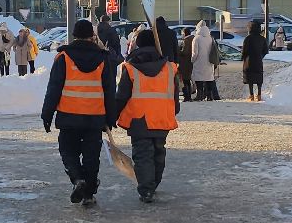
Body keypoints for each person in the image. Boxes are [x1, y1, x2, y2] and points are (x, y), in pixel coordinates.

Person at [41, 19, 118, 206]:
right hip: (94, 117)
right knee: (91, 155)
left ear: (74, 35)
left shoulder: (64, 58)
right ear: (92, 36)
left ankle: (78, 180)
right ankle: (89, 192)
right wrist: (110, 117)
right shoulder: (103, 58)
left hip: (69, 116)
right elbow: (109, 90)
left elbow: (54, 88)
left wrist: (47, 114)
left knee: (68, 151)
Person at [109, 29, 180, 203]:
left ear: (137, 44)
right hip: (162, 117)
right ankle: (153, 184)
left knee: (142, 154)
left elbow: (121, 96)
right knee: (158, 152)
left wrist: (112, 115)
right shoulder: (169, 68)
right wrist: (173, 110)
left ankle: (147, 188)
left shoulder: (131, 68)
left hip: (139, 119)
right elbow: (174, 95)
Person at [188, 20, 218, 101]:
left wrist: (192, 60)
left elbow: (195, 53)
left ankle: (199, 95)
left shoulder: (196, 38)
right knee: (209, 78)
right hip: (209, 61)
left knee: (199, 79)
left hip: (199, 61)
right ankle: (209, 96)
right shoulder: (210, 38)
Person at [241, 18, 269, 101]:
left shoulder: (248, 38)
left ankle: (251, 95)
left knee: (250, 78)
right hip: (258, 60)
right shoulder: (262, 39)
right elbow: (265, 50)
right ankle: (259, 95)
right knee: (258, 77)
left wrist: (243, 57)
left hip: (249, 61)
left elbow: (244, 50)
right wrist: (260, 56)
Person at [177, 24, 196, 102]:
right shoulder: (193, 39)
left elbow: (185, 52)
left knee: (185, 80)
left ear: (184, 33)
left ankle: (187, 97)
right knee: (188, 80)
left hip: (185, 63)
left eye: (182, 33)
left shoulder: (186, 40)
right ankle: (189, 96)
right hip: (191, 62)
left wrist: (178, 50)